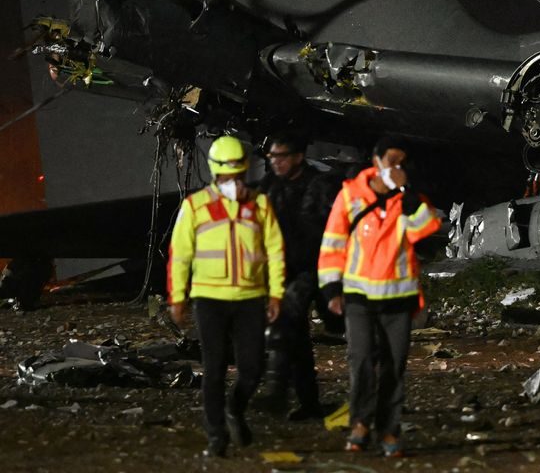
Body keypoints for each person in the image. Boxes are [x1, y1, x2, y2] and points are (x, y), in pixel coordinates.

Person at [318, 135, 441, 458]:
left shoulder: (408, 201)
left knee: (393, 368)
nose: (397, 168)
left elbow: (425, 228)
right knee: (360, 362)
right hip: (358, 296)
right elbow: (333, 243)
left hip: (398, 298)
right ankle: (360, 423)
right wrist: (331, 289)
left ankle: (388, 430)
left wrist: (408, 193)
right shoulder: (350, 195)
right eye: (392, 162)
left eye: (402, 163)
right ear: (376, 162)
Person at [168, 136, 285, 457]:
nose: (234, 180)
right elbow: (180, 255)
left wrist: (275, 294)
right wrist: (178, 298)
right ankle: (216, 435)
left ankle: (235, 408)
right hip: (209, 298)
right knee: (214, 368)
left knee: (252, 369)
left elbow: (275, 252)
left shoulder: (259, 205)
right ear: (216, 173)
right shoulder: (194, 207)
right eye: (227, 174)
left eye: (238, 173)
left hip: (250, 297)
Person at [257, 133, 325, 421]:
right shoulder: (270, 185)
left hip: (311, 268)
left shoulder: (317, 186)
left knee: (285, 323)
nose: (277, 163)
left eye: (282, 157)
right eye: (273, 157)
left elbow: (320, 233)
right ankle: (307, 401)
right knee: (295, 335)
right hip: (280, 268)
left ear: (298, 157)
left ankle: (277, 392)